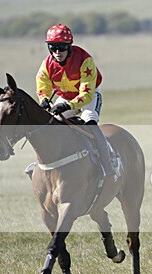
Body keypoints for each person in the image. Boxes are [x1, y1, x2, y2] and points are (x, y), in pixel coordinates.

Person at [36, 24, 115, 177]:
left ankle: (107, 165)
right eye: (53, 47)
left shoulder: (85, 60)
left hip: (88, 97)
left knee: (90, 123)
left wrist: (66, 106)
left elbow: (86, 95)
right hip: (65, 96)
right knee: (50, 125)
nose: (58, 52)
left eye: (62, 47)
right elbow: (42, 83)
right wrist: (44, 99)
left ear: (69, 46)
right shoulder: (47, 64)